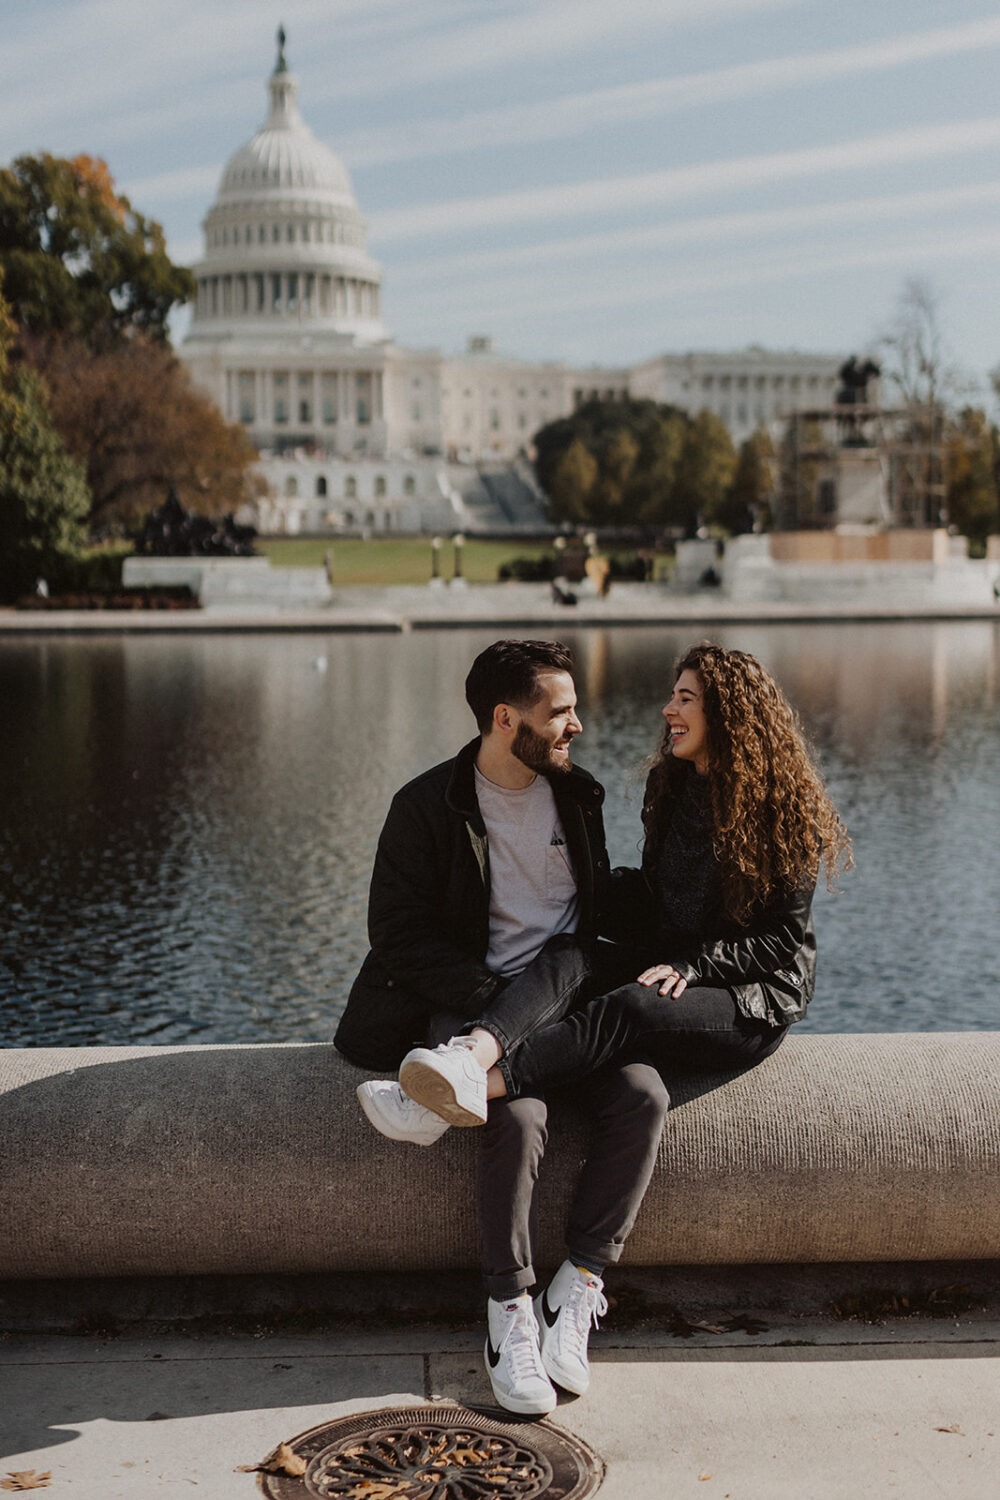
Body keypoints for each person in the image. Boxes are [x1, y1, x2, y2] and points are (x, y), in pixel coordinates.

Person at [334, 639, 669, 1417]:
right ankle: (508, 1306)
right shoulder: (426, 807)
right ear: (502, 718)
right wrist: (497, 1000)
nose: (577, 726)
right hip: (476, 999)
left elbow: (592, 913)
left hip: (568, 997)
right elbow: (398, 936)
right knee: (515, 1116)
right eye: (560, 712)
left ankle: (578, 1283)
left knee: (643, 1099)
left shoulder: (576, 795)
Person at [386, 639, 851, 1169]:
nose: (668, 710)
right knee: (571, 952)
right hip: (678, 963)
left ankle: (480, 1088)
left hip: (753, 991)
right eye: (673, 696)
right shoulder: (671, 784)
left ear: (726, 711)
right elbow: (657, 894)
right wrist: (576, 884)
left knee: (632, 1005)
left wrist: (694, 965)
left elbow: (780, 940)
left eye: (685, 698)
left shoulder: (782, 811)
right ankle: (469, 1059)